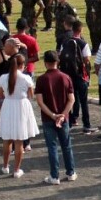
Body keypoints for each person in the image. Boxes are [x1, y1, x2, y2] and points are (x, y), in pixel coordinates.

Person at [35, 49, 77, 185]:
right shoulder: (66, 77)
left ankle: (54, 176)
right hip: (64, 118)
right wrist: (63, 115)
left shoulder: (41, 79)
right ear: (57, 62)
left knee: (52, 147)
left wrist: (53, 115)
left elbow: (40, 102)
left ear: (45, 63)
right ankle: (71, 172)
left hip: (48, 118)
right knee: (66, 146)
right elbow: (71, 99)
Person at [0, 54, 38, 176]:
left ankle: (5, 166)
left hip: (8, 105)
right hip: (21, 106)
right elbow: (31, 95)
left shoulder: (4, 77)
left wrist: (9, 96)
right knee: (19, 140)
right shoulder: (26, 78)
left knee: (7, 139)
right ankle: (16, 169)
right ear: (22, 65)